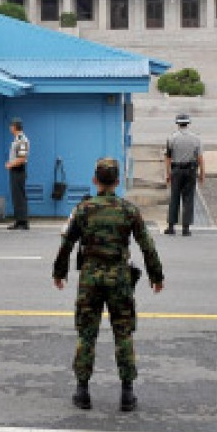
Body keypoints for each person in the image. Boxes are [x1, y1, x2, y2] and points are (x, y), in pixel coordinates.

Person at [53, 158, 164, 412]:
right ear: (117, 181)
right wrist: (156, 276)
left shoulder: (83, 209)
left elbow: (67, 243)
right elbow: (147, 244)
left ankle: (82, 391)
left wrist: (59, 272)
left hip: (90, 279)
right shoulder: (129, 210)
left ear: (95, 180)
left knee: (86, 333)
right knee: (123, 333)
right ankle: (127, 393)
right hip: (119, 279)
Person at [164, 113, 204, 237]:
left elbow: (168, 158)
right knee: (189, 198)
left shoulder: (172, 138)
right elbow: (200, 158)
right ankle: (186, 228)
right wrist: (202, 173)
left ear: (177, 124)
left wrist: (168, 173)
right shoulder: (196, 139)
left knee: (174, 198)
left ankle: (171, 227)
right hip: (191, 170)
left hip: (176, 170)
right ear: (188, 123)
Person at [6, 117, 30, 230]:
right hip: (15, 169)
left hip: (19, 170)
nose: (10, 128)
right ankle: (19, 220)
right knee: (16, 196)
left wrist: (10, 164)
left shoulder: (22, 140)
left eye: (11, 126)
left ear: (14, 127)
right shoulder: (17, 139)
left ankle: (23, 222)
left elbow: (22, 158)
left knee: (20, 196)